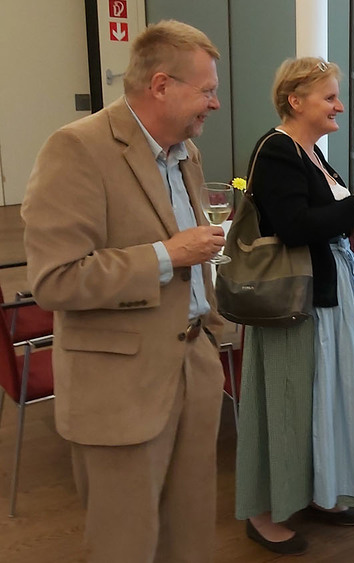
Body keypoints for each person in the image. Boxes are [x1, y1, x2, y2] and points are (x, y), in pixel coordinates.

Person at [21, 20, 226, 561]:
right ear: (161, 85)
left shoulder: (186, 153)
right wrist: (167, 255)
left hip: (194, 370)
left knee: (190, 538)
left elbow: (194, 254)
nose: (215, 103)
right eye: (207, 90)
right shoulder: (77, 149)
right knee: (124, 544)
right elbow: (55, 279)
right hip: (120, 388)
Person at [234, 57, 354, 555]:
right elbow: (293, 226)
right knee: (287, 401)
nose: (339, 105)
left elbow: (317, 218)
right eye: (330, 97)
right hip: (294, 297)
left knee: (325, 397)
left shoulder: (311, 152)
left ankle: (321, 489)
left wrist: (353, 222)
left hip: (328, 292)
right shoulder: (278, 150)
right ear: (295, 101)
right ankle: (261, 512)